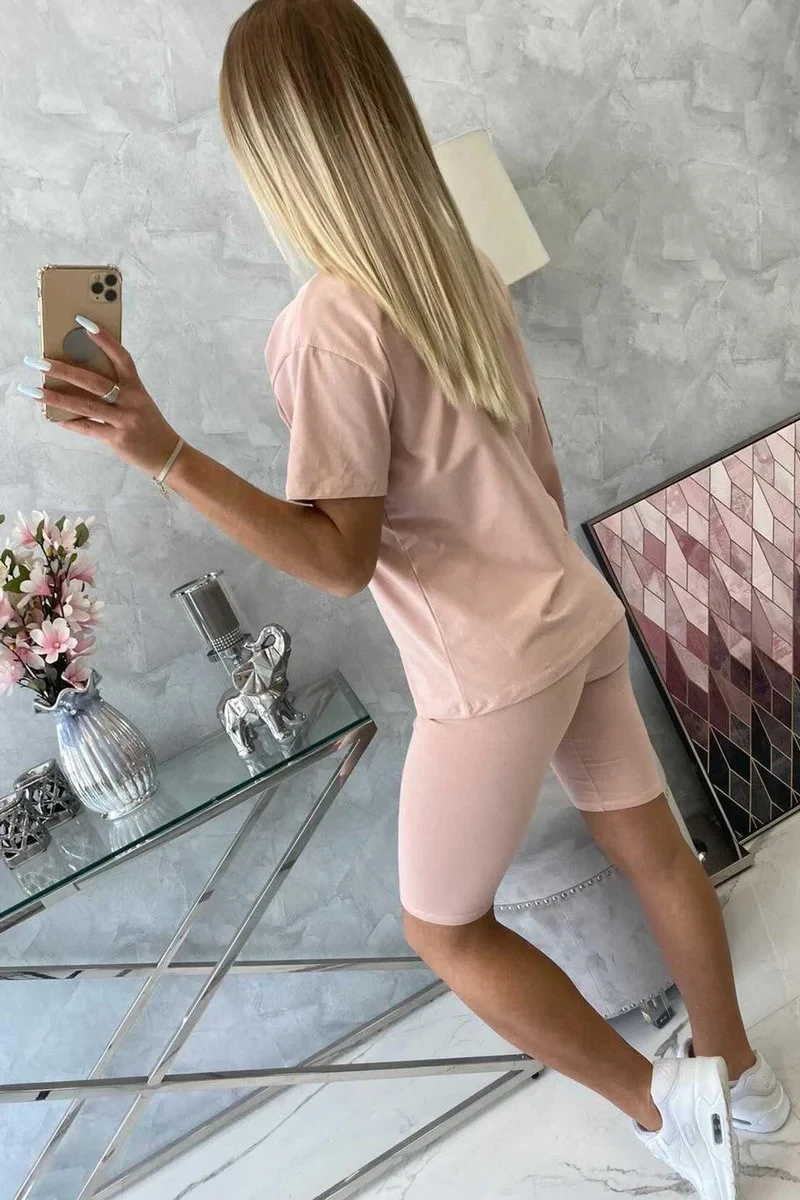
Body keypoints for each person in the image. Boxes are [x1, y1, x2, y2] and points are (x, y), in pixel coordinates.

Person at [17, 2, 788, 1196]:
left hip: (493, 665)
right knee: (650, 849)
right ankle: (741, 1078)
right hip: (570, 609)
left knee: (440, 926)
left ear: (270, 155)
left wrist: (164, 454)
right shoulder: (452, 264)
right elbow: (536, 467)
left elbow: (337, 558)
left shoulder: (324, 324)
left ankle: (666, 1109)